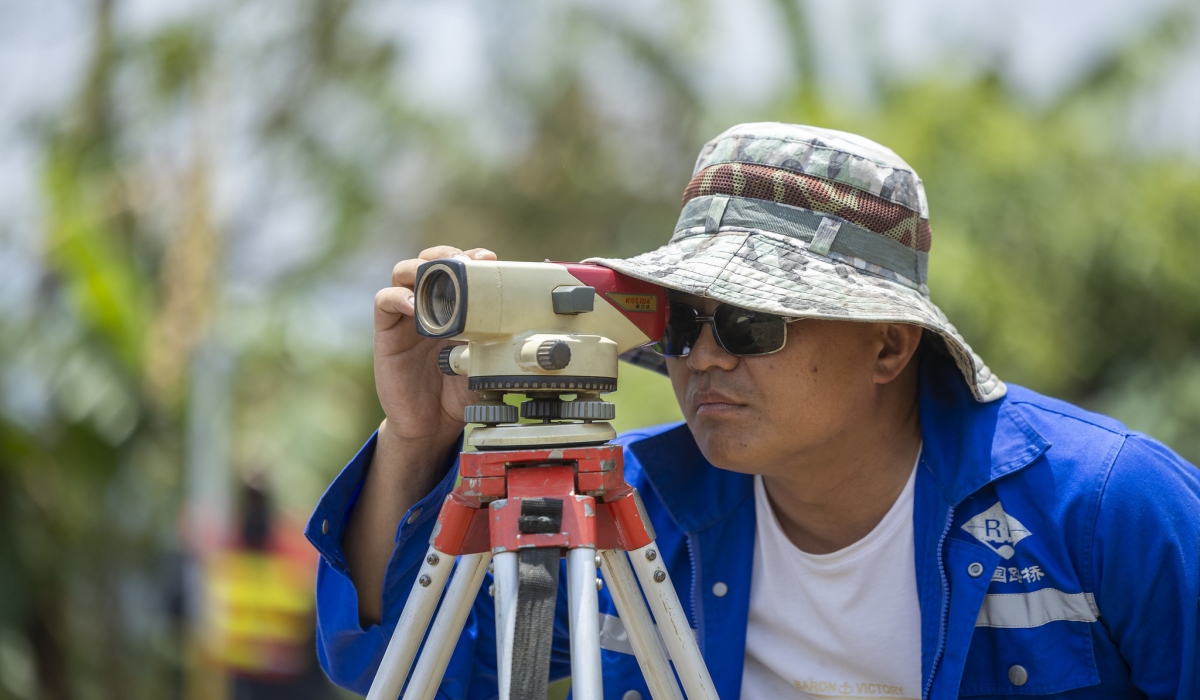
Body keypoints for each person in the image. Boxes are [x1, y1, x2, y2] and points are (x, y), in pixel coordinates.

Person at [305, 123, 1200, 699]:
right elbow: (401, 663)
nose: (702, 355)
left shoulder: (1109, 508)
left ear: (889, 345)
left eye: (749, 321)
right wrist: (418, 436)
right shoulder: (637, 509)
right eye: (684, 319)